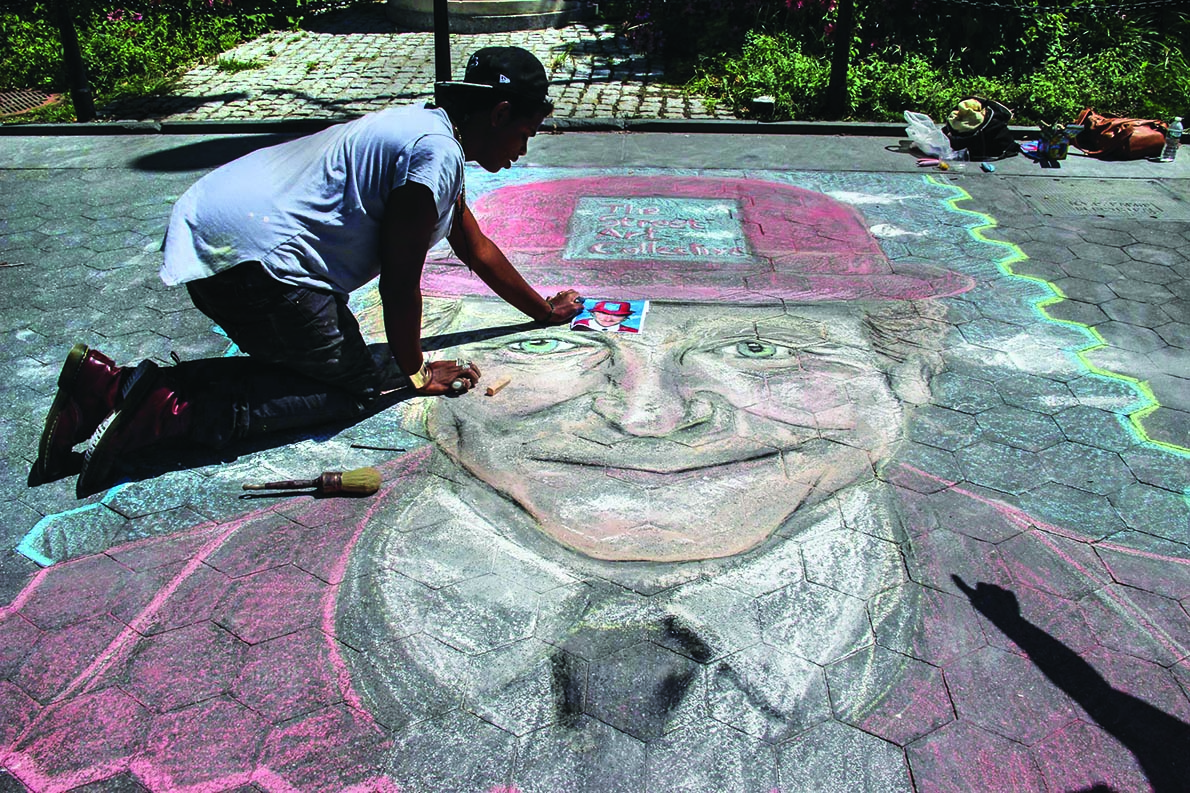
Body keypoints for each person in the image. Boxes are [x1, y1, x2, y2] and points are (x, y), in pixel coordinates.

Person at [32, 46, 583, 496]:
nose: (523, 149)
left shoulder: (430, 132)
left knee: (321, 368)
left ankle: (113, 384)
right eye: (525, 132)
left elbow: (475, 246)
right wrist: (413, 372)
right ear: (500, 113)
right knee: (361, 386)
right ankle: (158, 410)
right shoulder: (434, 155)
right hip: (261, 266)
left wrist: (543, 312)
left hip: (221, 241)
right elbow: (399, 279)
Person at [571, 300, 639, 332]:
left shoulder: (631, 331)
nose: (608, 319)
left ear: (625, 318)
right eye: (603, 313)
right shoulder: (578, 324)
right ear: (593, 313)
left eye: (617, 315)